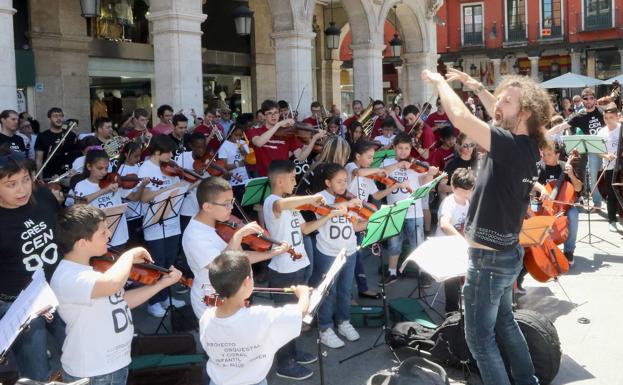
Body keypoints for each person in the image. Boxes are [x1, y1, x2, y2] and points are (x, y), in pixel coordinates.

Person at [422, 66, 551, 385]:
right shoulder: (528, 146)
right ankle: (527, 381)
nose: (498, 104)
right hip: (506, 255)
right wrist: (476, 86)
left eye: (507, 101)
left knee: (481, 341)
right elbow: (500, 111)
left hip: (489, 262)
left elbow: (463, 120)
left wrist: (440, 83)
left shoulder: (508, 145)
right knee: (506, 323)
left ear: (526, 113)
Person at [51, 204, 182, 385]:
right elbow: (112, 284)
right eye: (103, 233)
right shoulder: (68, 276)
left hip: (114, 365)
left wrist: (162, 284)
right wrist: (128, 256)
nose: (109, 236)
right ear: (82, 243)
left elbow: (121, 300)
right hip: (95, 371)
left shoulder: (91, 269)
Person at [182, 177, 289, 319]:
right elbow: (222, 266)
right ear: (207, 207)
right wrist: (238, 236)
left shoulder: (216, 225)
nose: (231, 208)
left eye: (232, 202)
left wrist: (272, 253)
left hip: (233, 297)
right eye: (226, 204)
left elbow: (239, 256)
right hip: (214, 303)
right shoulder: (195, 236)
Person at [0, 148, 65, 381]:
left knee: (78, 350)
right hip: (20, 306)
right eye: (11, 184)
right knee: (37, 372)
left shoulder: (45, 198)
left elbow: (61, 236)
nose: (22, 189)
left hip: (58, 292)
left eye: (26, 180)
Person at [199, 250, 311, 385]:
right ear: (247, 281)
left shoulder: (206, 317)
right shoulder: (261, 316)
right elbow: (300, 312)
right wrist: (304, 293)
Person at [264, 160, 330, 379]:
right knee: (285, 317)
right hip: (283, 270)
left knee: (294, 316)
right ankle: (284, 363)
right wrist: (312, 198)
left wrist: (329, 215)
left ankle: (293, 352)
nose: (295, 182)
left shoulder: (290, 204)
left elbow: (304, 229)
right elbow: (280, 206)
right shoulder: (273, 201)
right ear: (280, 180)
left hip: (299, 265)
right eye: (293, 178)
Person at [310, 163, 367, 349]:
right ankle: (325, 328)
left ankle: (344, 321)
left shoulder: (349, 198)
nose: (344, 185)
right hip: (327, 253)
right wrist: (347, 204)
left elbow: (355, 226)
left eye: (345, 181)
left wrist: (372, 220)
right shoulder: (321, 198)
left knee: (345, 290)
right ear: (328, 182)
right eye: (339, 181)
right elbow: (325, 209)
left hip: (349, 251)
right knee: (328, 291)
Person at [346, 140, 408, 298]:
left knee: (357, 256)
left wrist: (394, 187)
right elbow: (358, 173)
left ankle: (362, 288)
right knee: (350, 259)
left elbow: (376, 195)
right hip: (347, 219)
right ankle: (352, 294)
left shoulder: (368, 173)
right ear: (357, 156)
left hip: (360, 220)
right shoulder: (351, 168)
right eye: (368, 157)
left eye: (373, 157)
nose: (371, 160)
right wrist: (380, 171)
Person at [137, 134, 188, 317]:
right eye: (168, 153)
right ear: (157, 152)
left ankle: (165, 297)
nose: (171, 156)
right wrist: (168, 189)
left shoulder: (169, 167)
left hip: (172, 220)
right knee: (157, 263)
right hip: (155, 222)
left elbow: (179, 187)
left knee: (170, 262)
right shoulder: (146, 169)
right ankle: (153, 301)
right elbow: (144, 197)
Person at [382, 133, 438, 284]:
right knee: (394, 245)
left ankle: (423, 272)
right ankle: (392, 272)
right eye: (400, 148)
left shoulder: (416, 165)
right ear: (394, 148)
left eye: (407, 148)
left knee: (418, 244)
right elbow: (382, 174)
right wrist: (399, 165)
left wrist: (431, 174)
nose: (403, 152)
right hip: (394, 211)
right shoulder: (387, 162)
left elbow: (425, 185)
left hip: (415, 212)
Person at [549, 88, 605, 211]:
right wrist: (545, 134)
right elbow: (561, 126)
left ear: (595, 99)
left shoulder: (602, 112)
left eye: (591, 98)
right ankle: (597, 202)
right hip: (594, 150)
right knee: (592, 175)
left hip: (608, 147)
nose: (589, 100)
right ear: (582, 100)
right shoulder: (579, 116)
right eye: (585, 98)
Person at [532, 140, 583, 264]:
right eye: (543, 154)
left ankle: (569, 251)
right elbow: (530, 181)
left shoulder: (564, 166)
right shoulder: (539, 166)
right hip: (543, 204)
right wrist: (541, 189)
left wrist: (571, 175)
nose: (544, 157)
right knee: (532, 213)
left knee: (573, 214)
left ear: (557, 155)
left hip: (562, 206)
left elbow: (578, 188)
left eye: (548, 154)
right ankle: (541, 249)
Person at [247, 99, 325, 177]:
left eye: (276, 112)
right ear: (264, 115)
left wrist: (313, 140)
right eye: (269, 113)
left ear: (279, 114)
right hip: (264, 177)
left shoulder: (287, 133)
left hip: (284, 177)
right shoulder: (255, 131)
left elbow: (301, 157)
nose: (273, 116)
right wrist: (278, 125)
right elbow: (259, 143)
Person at [72, 148, 129, 250]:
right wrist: (104, 190)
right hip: (97, 238)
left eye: (106, 168)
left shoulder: (112, 180)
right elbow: (79, 204)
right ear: (89, 166)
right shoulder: (81, 186)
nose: (104, 172)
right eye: (99, 168)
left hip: (119, 235)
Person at [435, 168, 475, 313]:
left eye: (469, 190)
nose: (467, 194)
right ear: (453, 188)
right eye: (463, 190)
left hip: (460, 245)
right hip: (446, 245)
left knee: (462, 277)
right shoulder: (449, 202)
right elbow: (444, 224)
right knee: (451, 280)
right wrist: (461, 240)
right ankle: (450, 311)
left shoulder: (467, 202)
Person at [115, 142, 150, 247]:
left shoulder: (138, 166)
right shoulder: (121, 172)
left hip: (143, 212)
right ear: (126, 155)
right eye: (135, 156)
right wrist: (142, 185)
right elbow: (134, 197)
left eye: (140, 155)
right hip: (132, 216)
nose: (138, 158)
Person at [35, 107, 79, 179]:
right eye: (55, 116)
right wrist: (40, 178)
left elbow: (76, 156)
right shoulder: (42, 136)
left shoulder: (71, 135)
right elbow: (38, 160)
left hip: (68, 174)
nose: (59, 118)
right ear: (49, 118)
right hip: (49, 175)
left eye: (61, 116)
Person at [597, 103, 621, 232]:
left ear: (617, 117)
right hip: (609, 167)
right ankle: (612, 220)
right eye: (606, 118)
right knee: (611, 195)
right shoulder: (602, 132)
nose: (608, 120)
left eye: (611, 117)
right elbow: (597, 151)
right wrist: (606, 155)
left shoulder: (621, 128)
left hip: (621, 166)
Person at [438, 133, 478, 200]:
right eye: (465, 145)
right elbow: (441, 187)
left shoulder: (479, 161)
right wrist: (461, 189)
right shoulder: (453, 164)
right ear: (459, 146)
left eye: (471, 145)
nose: (469, 148)